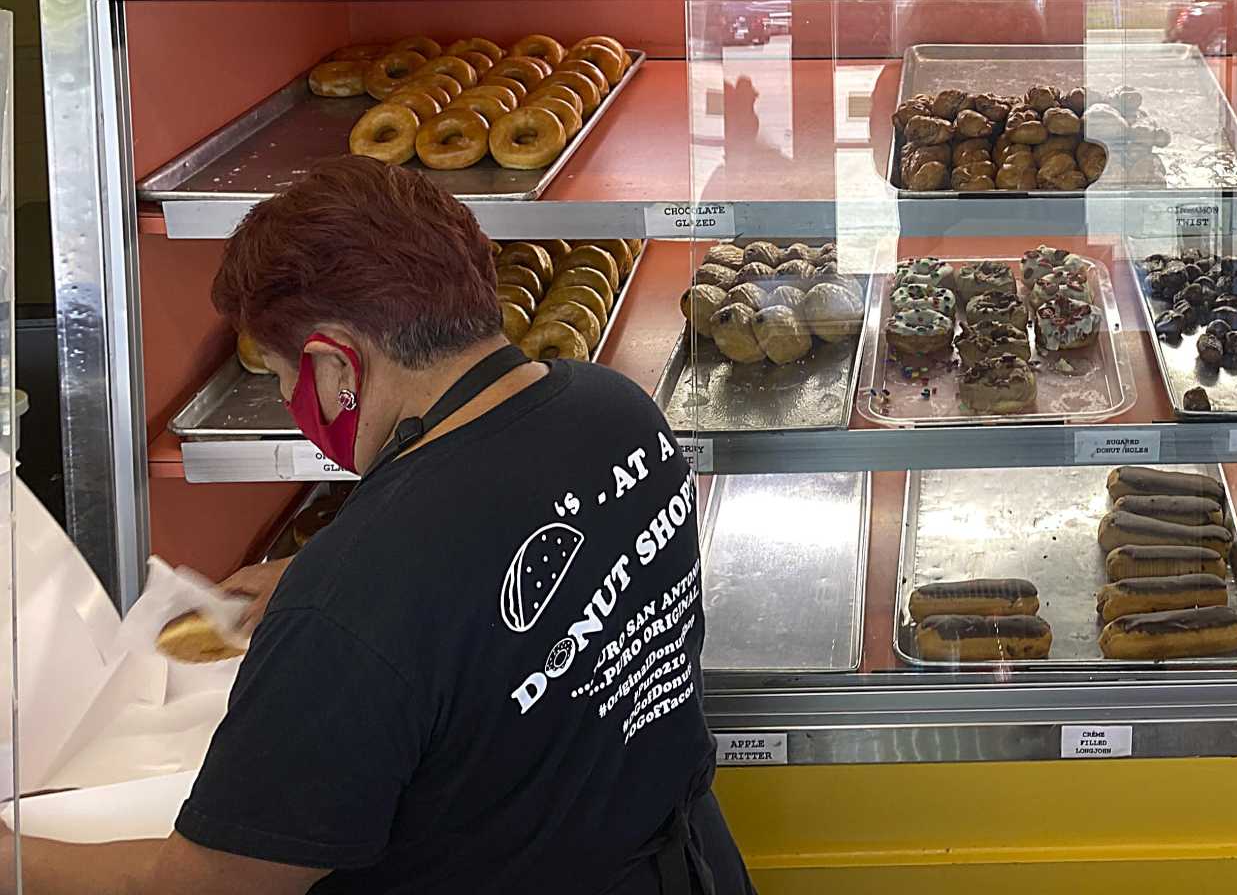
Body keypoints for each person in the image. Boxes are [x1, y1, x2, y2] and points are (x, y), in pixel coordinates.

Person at [8, 157, 751, 894]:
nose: (289, 399)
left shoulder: (354, 603)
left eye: (279, 375)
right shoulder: (615, 407)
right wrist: (318, 570)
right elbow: (514, 552)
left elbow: (210, 884)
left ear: (337, 367)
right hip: (688, 865)